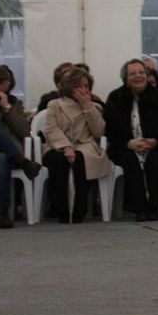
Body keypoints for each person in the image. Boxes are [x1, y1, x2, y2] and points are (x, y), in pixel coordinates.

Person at [104, 59, 158, 221]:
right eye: (133, 74)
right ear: (125, 78)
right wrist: (129, 143)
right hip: (125, 146)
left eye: (141, 73)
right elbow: (110, 129)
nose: (138, 76)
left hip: (157, 144)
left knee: (156, 159)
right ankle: (140, 208)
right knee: (129, 160)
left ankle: (153, 206)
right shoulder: (115, 98)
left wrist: (155, 140)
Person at [41, 67, 111, 223]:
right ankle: (61, 210)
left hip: (85, 145)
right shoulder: (55, 104)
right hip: (57, 145)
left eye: (86, 86)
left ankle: (80, 209)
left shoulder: (95, 107)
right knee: (57, 160)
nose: (83, 90)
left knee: (81, 159)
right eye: (79, 86)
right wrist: (65, 147)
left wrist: (88, 107)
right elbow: (51, 129)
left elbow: (99, 132)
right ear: (69, 86)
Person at [0, 65, 42, 228]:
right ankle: (25, 163)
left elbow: (24, 131)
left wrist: (6, 108)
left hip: (6, 155)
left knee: (2, 157)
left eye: (1, 83)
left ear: (8, 85)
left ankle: (1, 212)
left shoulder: (14, 103)